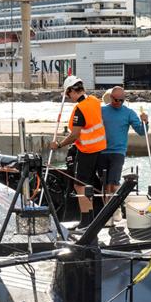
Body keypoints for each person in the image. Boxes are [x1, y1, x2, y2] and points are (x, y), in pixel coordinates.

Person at [49, 76, 107, 229]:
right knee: (91, 184)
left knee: (80, 186)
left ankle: (87, 221)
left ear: (71, 91)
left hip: (87, 151)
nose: (68, 98)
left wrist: (59, 144)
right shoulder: (94, 100)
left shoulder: (79, 109)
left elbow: (75, 135)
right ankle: (92, 219)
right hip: (100, 148)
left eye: (67, 95)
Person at [99, 86, 148, 222]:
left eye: (121, 100)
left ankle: (115, 209)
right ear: (110, 98)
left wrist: (145, 121)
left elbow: (142, 131)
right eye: (116, 100)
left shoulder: (129, 113)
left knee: (113, 182)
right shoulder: (101, 111)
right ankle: (105, 211)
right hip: (101, 150)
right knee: (104, 183)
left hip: (118, 152)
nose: (119, 102)